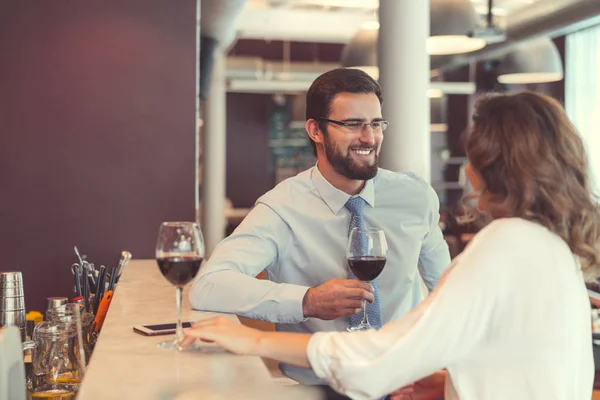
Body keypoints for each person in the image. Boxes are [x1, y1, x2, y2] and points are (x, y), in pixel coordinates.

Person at [184, 91, 600, 400]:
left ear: (490, 167)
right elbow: (523, 360)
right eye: (351, 124)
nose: (467, 167)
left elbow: (380, 355)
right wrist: (451, 383)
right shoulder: (551, 245)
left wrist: (254, 341)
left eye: (376, 123)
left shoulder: (503, 243)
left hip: (383, 371)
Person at [189, 68, 451, 388]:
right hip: (321, 389)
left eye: (375, 124)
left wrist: (439, 370)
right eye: (353, 124)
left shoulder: (414, 196)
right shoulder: (281, 208)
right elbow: (208, 287)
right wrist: (307, 301)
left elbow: (446, 291)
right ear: (315, 130)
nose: (369, 137)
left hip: (406, 385)